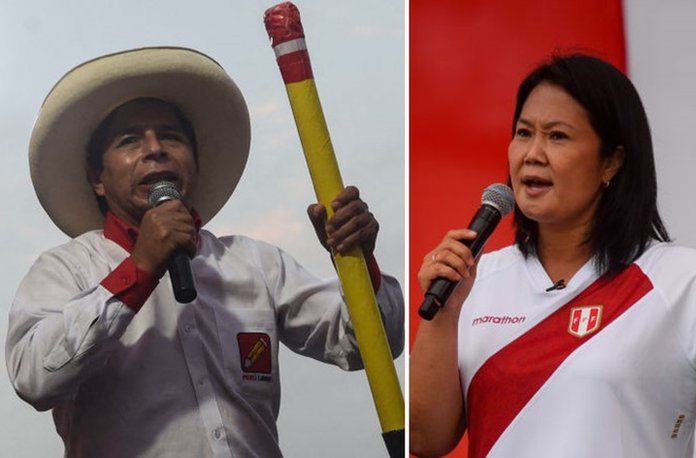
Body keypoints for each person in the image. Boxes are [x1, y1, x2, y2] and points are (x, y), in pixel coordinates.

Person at [409, 54, 696, 457]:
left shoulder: (677, 279)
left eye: (557, 136)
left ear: (612, 161)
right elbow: (423, 440)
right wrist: (444, 315)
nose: (532, 153)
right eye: (523, 133)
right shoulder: (476, 281)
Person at [6, 47, 403, 457]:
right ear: (98, 179)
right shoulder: (65, 270)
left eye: (171, 137)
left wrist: (358, 261)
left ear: (193, 163)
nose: (155, 149)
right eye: (130, 140)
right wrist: (141, 268)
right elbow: (35, 376)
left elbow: (370, 345)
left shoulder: (253, 263)